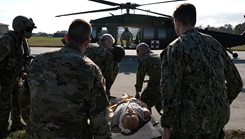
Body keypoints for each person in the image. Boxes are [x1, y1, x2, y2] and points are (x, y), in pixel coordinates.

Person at [160, 3, 243, 139]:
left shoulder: (175, 48)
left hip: (189, 127)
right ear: (194, 21)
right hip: (217, 121)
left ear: (177, 22)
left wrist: (166, 127)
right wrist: (218, 103)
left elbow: (170, 92)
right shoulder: (214, 43)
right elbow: (236, 82)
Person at [25, 19, 111, 138]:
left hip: (37, 134)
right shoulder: (90, 69)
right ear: (87, 42)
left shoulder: (38, 60)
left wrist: (34, 126)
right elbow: (99, 115)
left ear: (66, 37)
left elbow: (24, 99)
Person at [0, 15, 36, 138]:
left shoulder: (22, 40)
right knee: (4, 104)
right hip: (4, 78)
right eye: (28, 29)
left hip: (16, 76)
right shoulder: (8, 40)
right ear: (20, 27)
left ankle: (16, 122)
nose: (30, 32)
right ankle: (2, 128)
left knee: (17, 100)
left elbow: (23, 58)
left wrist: (23, 71)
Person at [134, 42, 162, 115]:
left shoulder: (144, 59)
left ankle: (148, 121)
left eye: (138, 51)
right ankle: (168, 123)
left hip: (155, 84)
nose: (137, 54)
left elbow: (140, 76)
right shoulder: (157, 56)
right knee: (159, 104)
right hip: (164, 83)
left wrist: (137, 91)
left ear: (143, 50)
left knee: (144, 102)